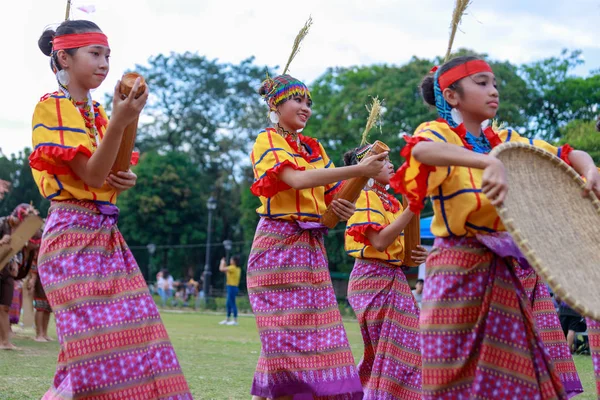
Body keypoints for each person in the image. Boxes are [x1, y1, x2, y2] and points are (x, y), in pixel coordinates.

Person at [390, 55, 600, 399]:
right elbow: (421, 152)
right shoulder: (437, 133)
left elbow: (567, 153)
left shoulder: (506, 137)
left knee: (514, 376)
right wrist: (488, 160)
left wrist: (588, 169)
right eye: (482, 83)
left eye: (495, 83)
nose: (494, 91)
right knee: (450, 373)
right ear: (453, 96)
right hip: (458, 267)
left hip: (505, 271)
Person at [30, 20, 191, 398]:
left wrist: (123, 174)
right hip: (71, 239)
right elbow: (90, 174)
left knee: (137, 336)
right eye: (95, 54)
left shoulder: (99, 113)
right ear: (64, 59)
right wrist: (121, 121)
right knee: (100, 350)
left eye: (107, 56)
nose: (104, 64)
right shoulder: (52, 109)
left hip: (105, 236)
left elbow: (108, 174)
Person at [247, 73, 388, 400]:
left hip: (310, 249)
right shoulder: (267, 140)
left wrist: (344, 202)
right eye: (298, 100)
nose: (306, 108)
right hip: (277, 250)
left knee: (311, 339)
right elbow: (296, 180)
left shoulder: (312, 147)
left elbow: (329, 200)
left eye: (309, 102)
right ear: (274, 104)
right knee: (288, 340)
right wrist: (358, 171)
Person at [343, 145, 428, 400]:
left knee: (393, 354)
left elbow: (393, 249)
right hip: (373, 280)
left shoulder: (387, 200)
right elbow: (378, 243)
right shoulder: (366, 197)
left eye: (390, 160)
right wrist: (411, 209)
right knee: (396, 354)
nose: (391, 165)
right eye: (383, 161)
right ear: (366, 169)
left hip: (390, 278)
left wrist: (415, 256)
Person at [516, 266, 583, 396]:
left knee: (568, 332)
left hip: (562, 309)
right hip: (569, 309)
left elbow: (557, 296)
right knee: (570, 332)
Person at [219, 255, 242, 326]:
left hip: (232, 287)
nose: (230, 261)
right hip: (232, 287)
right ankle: (228, 319)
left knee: (232, 303)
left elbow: (221, 269)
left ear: (234, 261)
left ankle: (235, 320)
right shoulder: (237, 269)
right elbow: (226, 271)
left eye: (231, 260)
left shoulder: (232, 268)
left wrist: (222, 262)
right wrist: (225, 264)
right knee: (228, 303)